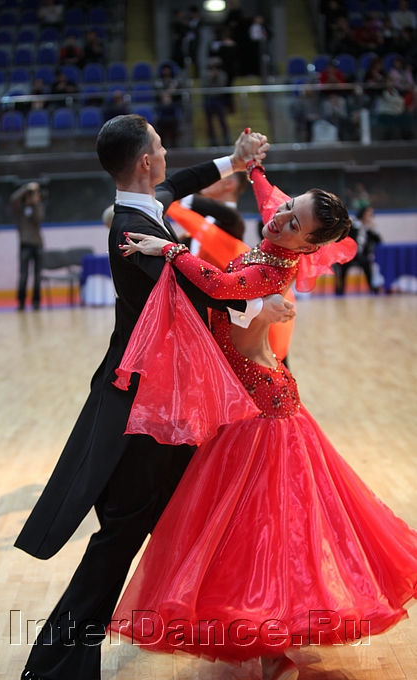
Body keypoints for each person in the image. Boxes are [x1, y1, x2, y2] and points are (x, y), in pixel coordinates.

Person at [111, 163, 417, 679]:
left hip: (262, 408)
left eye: (294, 222)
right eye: (289, 206)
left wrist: (168, 249)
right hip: (252, 399)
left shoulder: (272, 273)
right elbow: (270, 202)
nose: (280, 218)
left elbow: (218, 284)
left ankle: (274, 641)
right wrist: (252, 168)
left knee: (269, 528)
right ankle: (269, 638)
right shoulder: (278, 238)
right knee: (257, 528)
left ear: (306, 246)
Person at [15, 116, 294, 680]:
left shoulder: (145, 206)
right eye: (161, 146)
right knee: (125, 533)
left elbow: (180, 183)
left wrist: (234, 160)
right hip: (143, 409)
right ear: (145, 161)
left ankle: (252, 630)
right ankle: (55, 663)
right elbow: (198, 290)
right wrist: (260, 305)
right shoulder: (131, 230)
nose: (167, 154)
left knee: (202, 512)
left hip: (165, 403)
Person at [10, 183, 44, 311]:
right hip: (25, 244)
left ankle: (36, 301)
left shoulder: (38, 207)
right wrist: (27, 188)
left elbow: (38, 219)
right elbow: (13, 198)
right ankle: (21, 301)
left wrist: (36, 203)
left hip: (37, 244)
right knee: (23, 275)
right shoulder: (20, 210)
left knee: (37, 275)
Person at [335, 204, 382, 295]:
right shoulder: (353, 226)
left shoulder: (369, 228)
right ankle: (341, 288)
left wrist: (374, 229)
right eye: (368, 213)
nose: (370, 216)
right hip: (350, 255)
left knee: (367, 263)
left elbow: (379, 241)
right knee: (343, 264)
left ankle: (372, 287)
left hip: (362, 256)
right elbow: (343, 239)